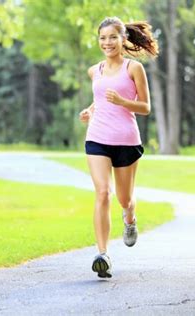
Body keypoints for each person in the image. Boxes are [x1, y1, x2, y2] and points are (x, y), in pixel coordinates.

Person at [79, 16, 159, 278]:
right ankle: (103, 255)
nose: (107, 42)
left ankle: (130, 216)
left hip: (126, 140)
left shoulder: (133, 68)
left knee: (124, 199)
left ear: (123, 39)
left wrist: (124, 101)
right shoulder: (95, 70)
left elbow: (145, 107)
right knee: (103, 193)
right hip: (97, 137)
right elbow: (100, 99)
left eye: (112, 37)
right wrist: (89, 110)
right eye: (102, 38)